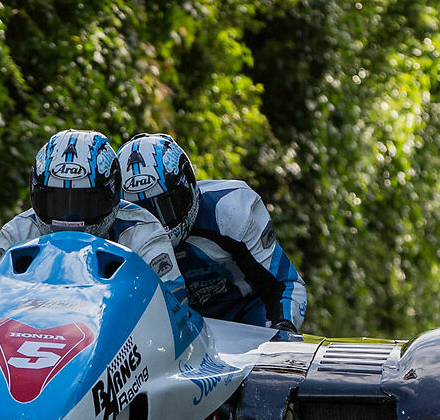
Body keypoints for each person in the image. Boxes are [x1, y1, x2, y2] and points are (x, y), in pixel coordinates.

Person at [115, 133, 310, 332]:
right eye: (142, 212)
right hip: (178, 329)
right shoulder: (116, 231)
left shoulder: (231, 210)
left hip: (249, 320)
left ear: (189, 185)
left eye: (167, 206)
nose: (158, 222)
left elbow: (283, 284)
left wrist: (283, 328)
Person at [0, 129, 192, 315]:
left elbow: (174, 303)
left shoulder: (142, 229)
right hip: (31, 329)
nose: (68, 217)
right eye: (55, 201)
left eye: (84, 202)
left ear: (112, 194)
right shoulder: (18, 231)